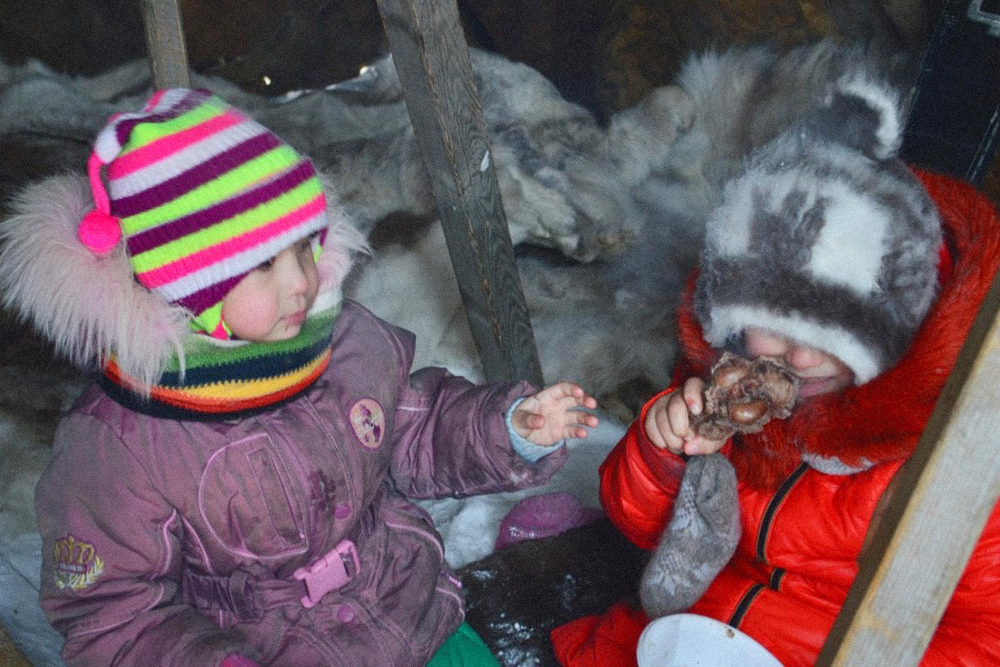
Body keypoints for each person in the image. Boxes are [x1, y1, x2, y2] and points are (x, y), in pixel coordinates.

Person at [0, 88, 599, 667]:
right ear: (191, 289)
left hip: (411, 615)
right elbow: (115, 612)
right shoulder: (125, 445)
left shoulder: (335, 341)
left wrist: (506, 428)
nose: (300, 284)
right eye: (264, 265)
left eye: (303, 249)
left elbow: (409, 426)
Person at [550, 72, 1000, 667]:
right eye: (777, 328)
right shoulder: (730, 395)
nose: (803, 358)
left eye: (835, 338)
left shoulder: (956, 466)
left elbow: (985, 638)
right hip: (689, 634)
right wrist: (661, 454)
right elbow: (645, 529)